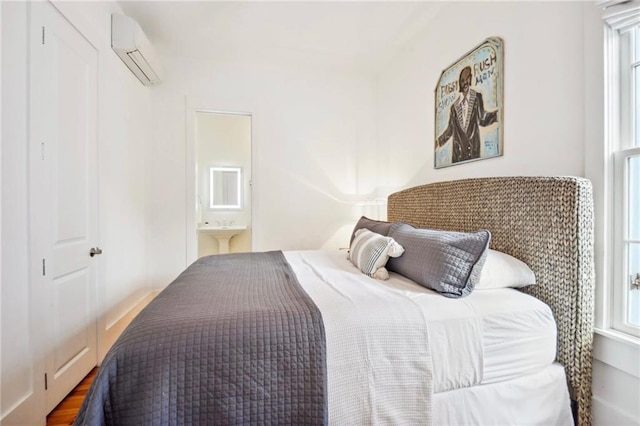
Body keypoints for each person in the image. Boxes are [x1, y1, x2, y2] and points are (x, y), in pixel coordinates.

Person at [436, 66, 498, 163]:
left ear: (471, 78)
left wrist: (498, 115)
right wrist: (438, 142)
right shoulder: (454, 107)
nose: (465, 82)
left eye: (467, 78)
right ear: (459, 83)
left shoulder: (477, 98)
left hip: (473, 151)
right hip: (458, 154)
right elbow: (450, 130)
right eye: (462, 80)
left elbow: (482, 119)